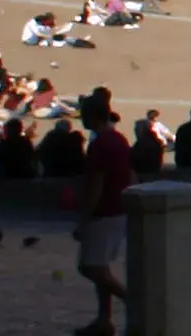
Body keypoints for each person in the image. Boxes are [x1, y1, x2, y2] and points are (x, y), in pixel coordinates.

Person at [75, 90, 139, 336]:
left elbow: (96, 184)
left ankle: (131, 300)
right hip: (118, 208)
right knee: (101, 265)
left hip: (104, 211)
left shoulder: (99, 144)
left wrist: (85, 217)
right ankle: (104, 319)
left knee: (90, 267)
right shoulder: (118, 139)